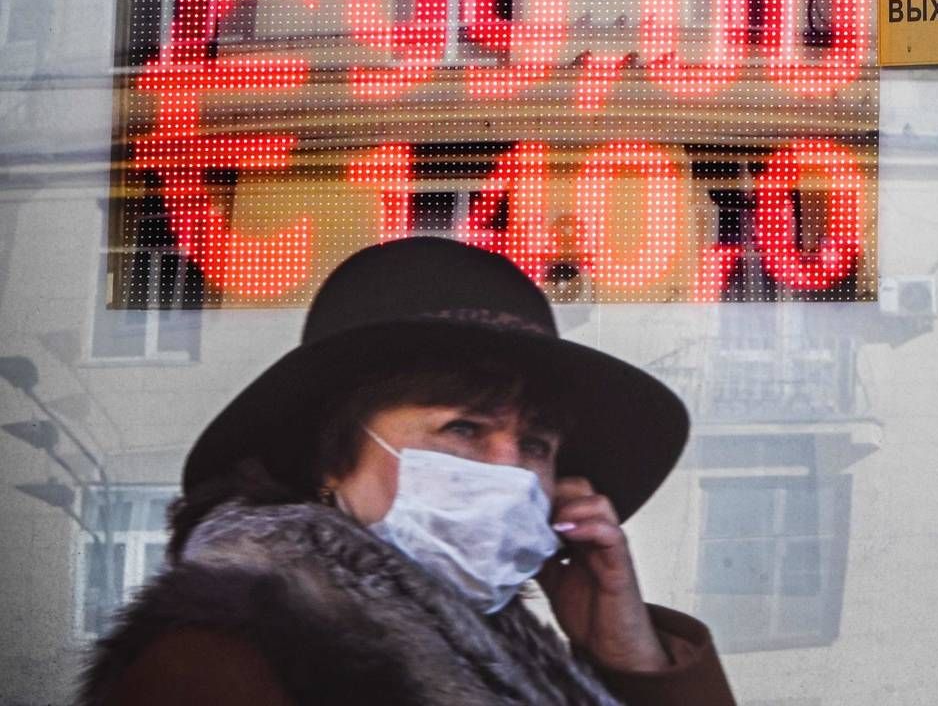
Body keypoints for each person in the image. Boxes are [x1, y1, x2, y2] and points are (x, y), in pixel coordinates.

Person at [81, 237, 736, 706]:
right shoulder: (221, 660)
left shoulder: (500, 653)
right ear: (332, 461)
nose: (508, 470)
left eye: (535, 445)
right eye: (464, 429)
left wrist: (630, 656)